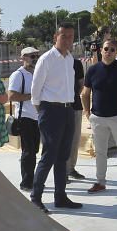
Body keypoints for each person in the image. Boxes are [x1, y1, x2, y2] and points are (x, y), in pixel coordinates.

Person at [29, 23, 82, 212]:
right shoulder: (47, 59)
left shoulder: (69, 59)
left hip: (68, 110)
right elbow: (35, 90)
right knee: (49, 155)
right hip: (50, 111)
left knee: (63, 156)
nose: (68, 40)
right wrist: (42, 112)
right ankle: (36, 197)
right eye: (64, 36)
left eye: (71, 36)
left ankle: (60, 196)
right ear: (55, 37)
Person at [81, 38, 117, 194]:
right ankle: (100, 182)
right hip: (97, 118)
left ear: (116, 51)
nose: (109, 52)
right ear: (101, 50)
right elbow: (85, 93)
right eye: (106, 49)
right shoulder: (92, 70)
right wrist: (87, 112)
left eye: (113, 49)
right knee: (100, 152)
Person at [7, 47, 42, 190]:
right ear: (23, 58)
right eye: (31, 56)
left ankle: (31, 179)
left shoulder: (37, 74)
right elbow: (11, 95)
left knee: (33, 150)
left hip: (37, 117)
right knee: (28, 151)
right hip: (25, 117)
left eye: (36, 56)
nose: (34, 59)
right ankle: (26, 182)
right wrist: (32, 97)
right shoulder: (18, 75)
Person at [68, 57, 87, 181]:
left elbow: (81, 85)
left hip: (75, 105)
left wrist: (73, 95)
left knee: (74, 139)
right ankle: (61, 172)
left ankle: (70, 169)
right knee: (62, 140)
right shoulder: (52, 61)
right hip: (58, 107)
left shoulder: (76, 63)